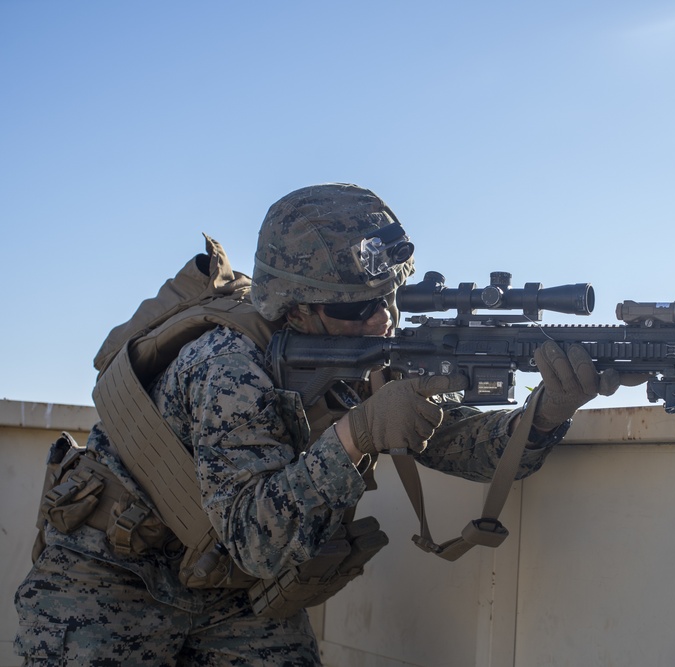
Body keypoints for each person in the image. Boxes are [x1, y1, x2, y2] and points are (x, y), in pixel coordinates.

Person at [14, 183, 627, 666]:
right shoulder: (228, 365)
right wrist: (357, 434)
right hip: (113, 579)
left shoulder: (364, 355)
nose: (381, 321)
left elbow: (467, 448)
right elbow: (258, 540)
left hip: (229, 590)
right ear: (296, 309)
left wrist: (547, 412)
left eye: (388, 300)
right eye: (356, 308)